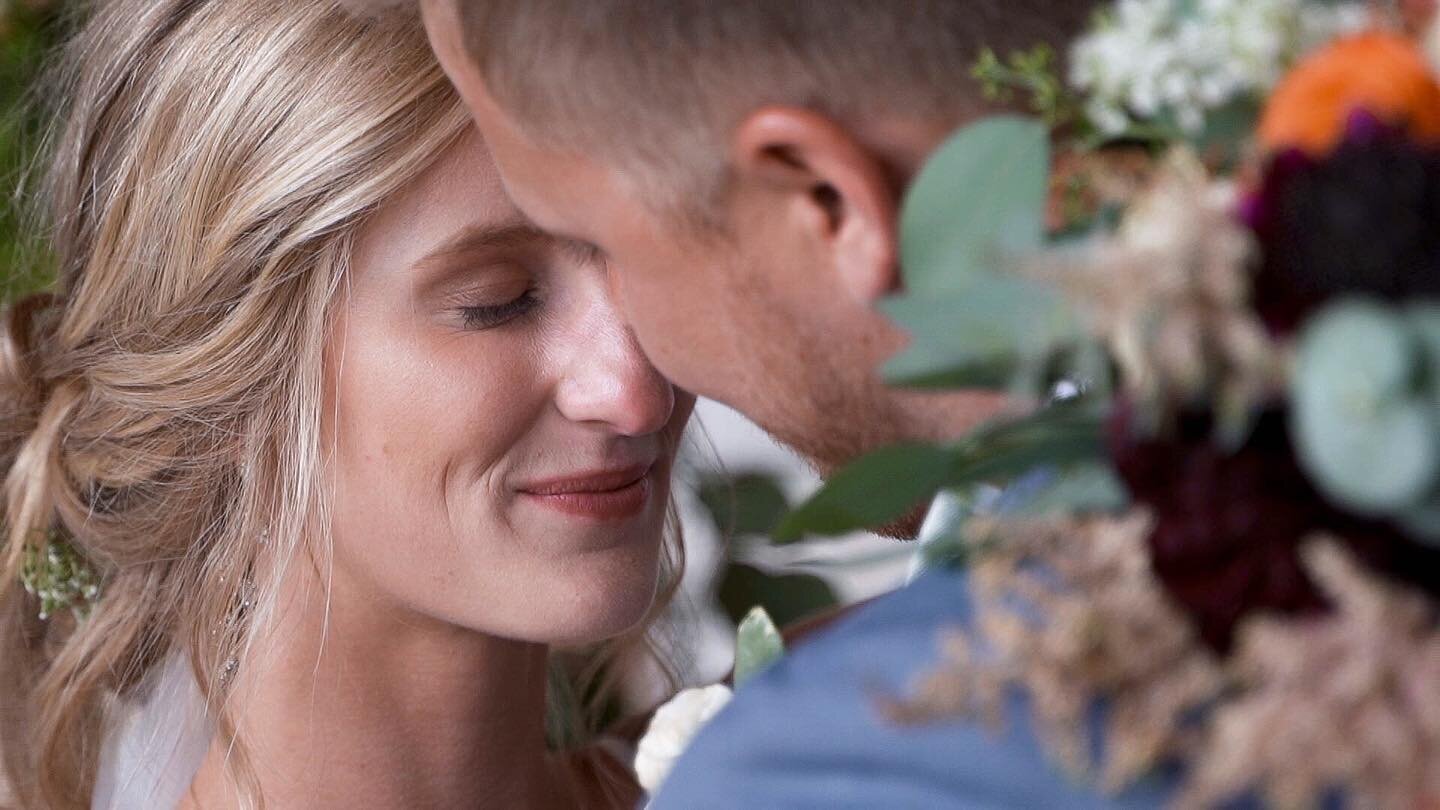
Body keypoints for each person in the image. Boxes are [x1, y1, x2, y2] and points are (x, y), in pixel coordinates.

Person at [360, 0, 1157, 806]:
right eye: (495, 301)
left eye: (618, 252)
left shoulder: (860, 746)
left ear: (829, 200)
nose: (636, 394)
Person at [0, 1, 693, 807]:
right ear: (228, 376)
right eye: (497, 302)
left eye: (652, 264)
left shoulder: (814, 751)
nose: (637, 390)